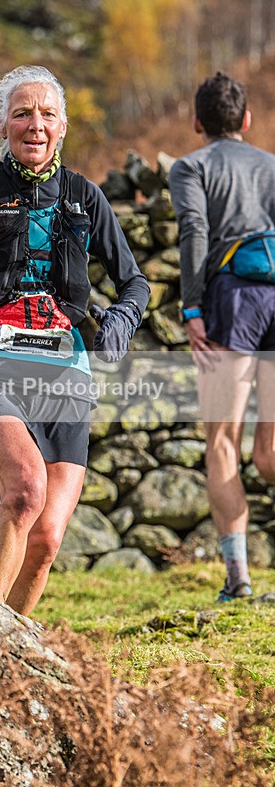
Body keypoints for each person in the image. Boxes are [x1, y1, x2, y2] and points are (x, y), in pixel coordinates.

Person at [0, 65, 149, 616]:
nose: (34, 125)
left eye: (47, 114)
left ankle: (5, 658)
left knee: (47, 538)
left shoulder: (85, 197)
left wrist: (120, 321)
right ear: (4, 126)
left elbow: (135, 281)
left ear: (62, 127)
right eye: (21, 113)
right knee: (24, 492)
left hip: (67, 375)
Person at [169, 72, 275, 602]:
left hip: (231, 301)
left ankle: (238, 579)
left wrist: (192, 307)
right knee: (271, 454)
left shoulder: (192, 167)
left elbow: (194, 232)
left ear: (197, 122)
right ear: (247, 121)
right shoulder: (272, 166)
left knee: (223, 443)